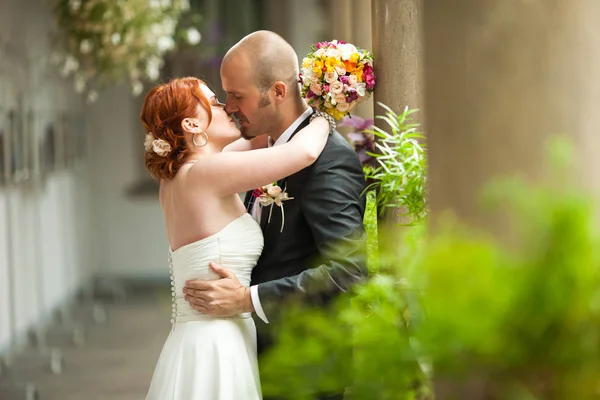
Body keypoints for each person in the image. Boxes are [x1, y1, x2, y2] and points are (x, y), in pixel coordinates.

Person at [183, 31, 368, 399]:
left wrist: (247, 299)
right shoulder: (268, 150)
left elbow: (350, 270)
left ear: (279, 92)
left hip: (305, 363)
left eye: (237, 96)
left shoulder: (329, 160)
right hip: (261, 358)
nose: (229, 106)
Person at [141, 76, 334, 400]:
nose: (225, 107)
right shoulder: (204, 174)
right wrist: (328, 110)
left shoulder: (178, 177)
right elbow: (303, 152)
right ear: (191, 123)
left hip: (202, 336)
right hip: (216, 342)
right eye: (214, 102)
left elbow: (261, 142)